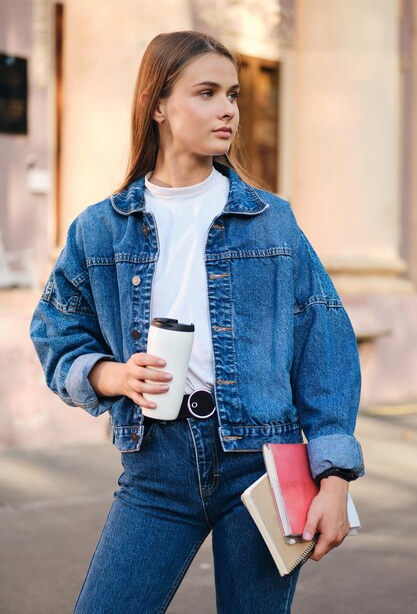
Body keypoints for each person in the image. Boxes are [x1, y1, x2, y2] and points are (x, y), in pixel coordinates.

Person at [30, 30, 364, 614]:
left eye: (231, 94)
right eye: (206, 92)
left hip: (262, 464)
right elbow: (57, 330)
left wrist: (332, 475)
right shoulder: (101, 229)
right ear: (158, 105)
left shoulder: (271, 221)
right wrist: (112, 376)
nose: (228, 109)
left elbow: (324, 342)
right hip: (155, 465)